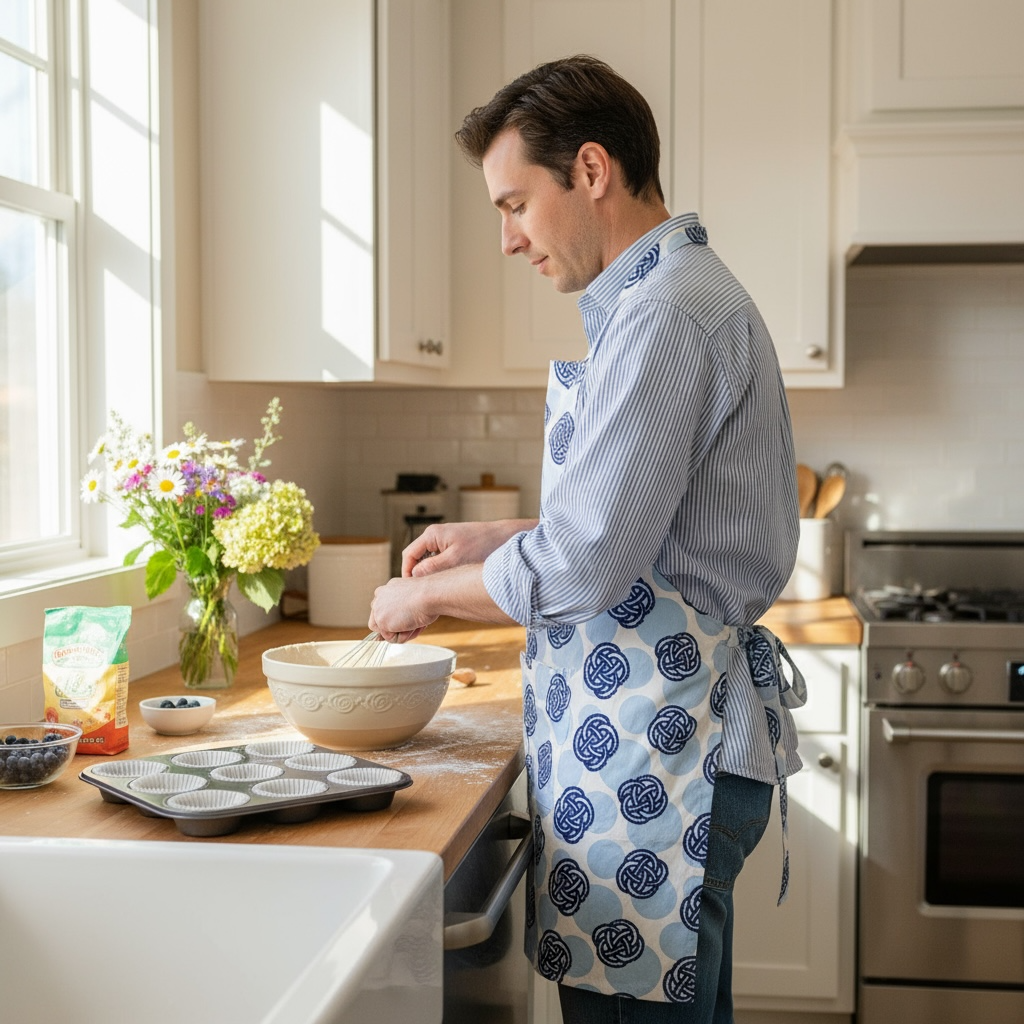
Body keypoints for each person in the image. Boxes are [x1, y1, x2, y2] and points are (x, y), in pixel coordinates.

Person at [369, 54, 806, 1024]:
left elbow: (584, 561)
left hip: (661, 759)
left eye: (515, 203)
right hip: (654, 749)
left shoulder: (664, 315)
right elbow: (645, 525)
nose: (507, 239)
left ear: (592, 170)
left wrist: (425, 595)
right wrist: (491, 537)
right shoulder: (666, 298)